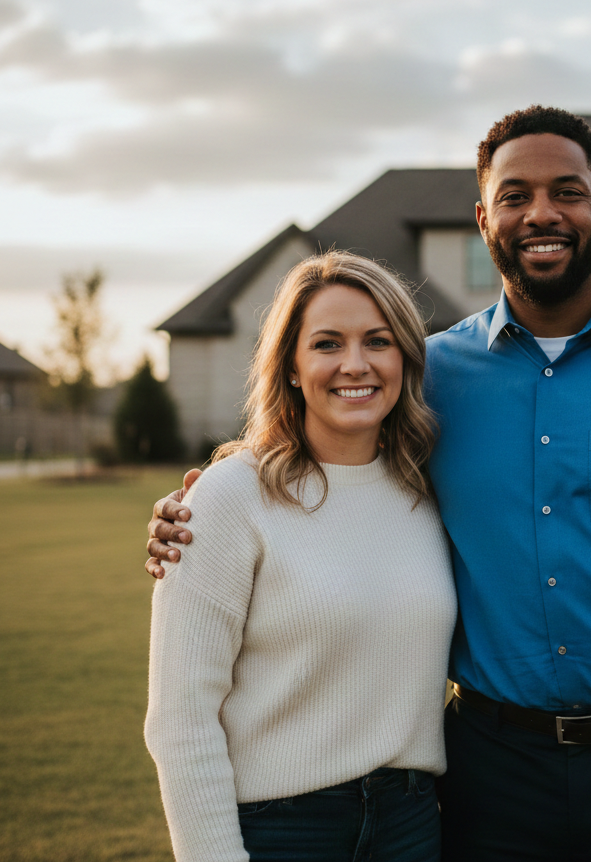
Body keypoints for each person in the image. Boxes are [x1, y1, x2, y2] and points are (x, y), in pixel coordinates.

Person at [147, 107, 591, 862]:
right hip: (492, 779)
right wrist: (209, 494)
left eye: (567, 191)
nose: (541, 213)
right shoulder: (426, 375)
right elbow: (323, 442)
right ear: (483, 217)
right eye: (515, 195)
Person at [144, 251, 457, 862]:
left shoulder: (429, 490)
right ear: (289, 365)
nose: (355, 365)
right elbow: (181, 720)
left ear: (405, 360)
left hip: (412, 823)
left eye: (378, 341)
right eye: (327, 344)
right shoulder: (231, 497)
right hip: (284, 831)